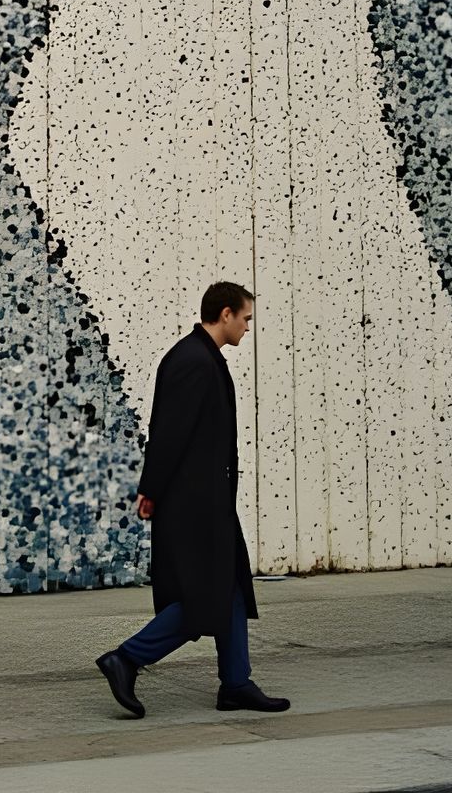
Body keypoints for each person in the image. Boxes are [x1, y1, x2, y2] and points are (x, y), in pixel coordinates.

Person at [96, 283, 290, 717]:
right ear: (225, 314)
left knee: (232, 587)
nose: (246, 327)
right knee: (206, 598)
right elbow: (168, 433)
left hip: (208, 502)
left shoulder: (201, 357)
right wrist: (152, 489)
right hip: (194, 507)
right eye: (245, 319)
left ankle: (236, 683)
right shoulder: (193, 362)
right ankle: (126, 658)